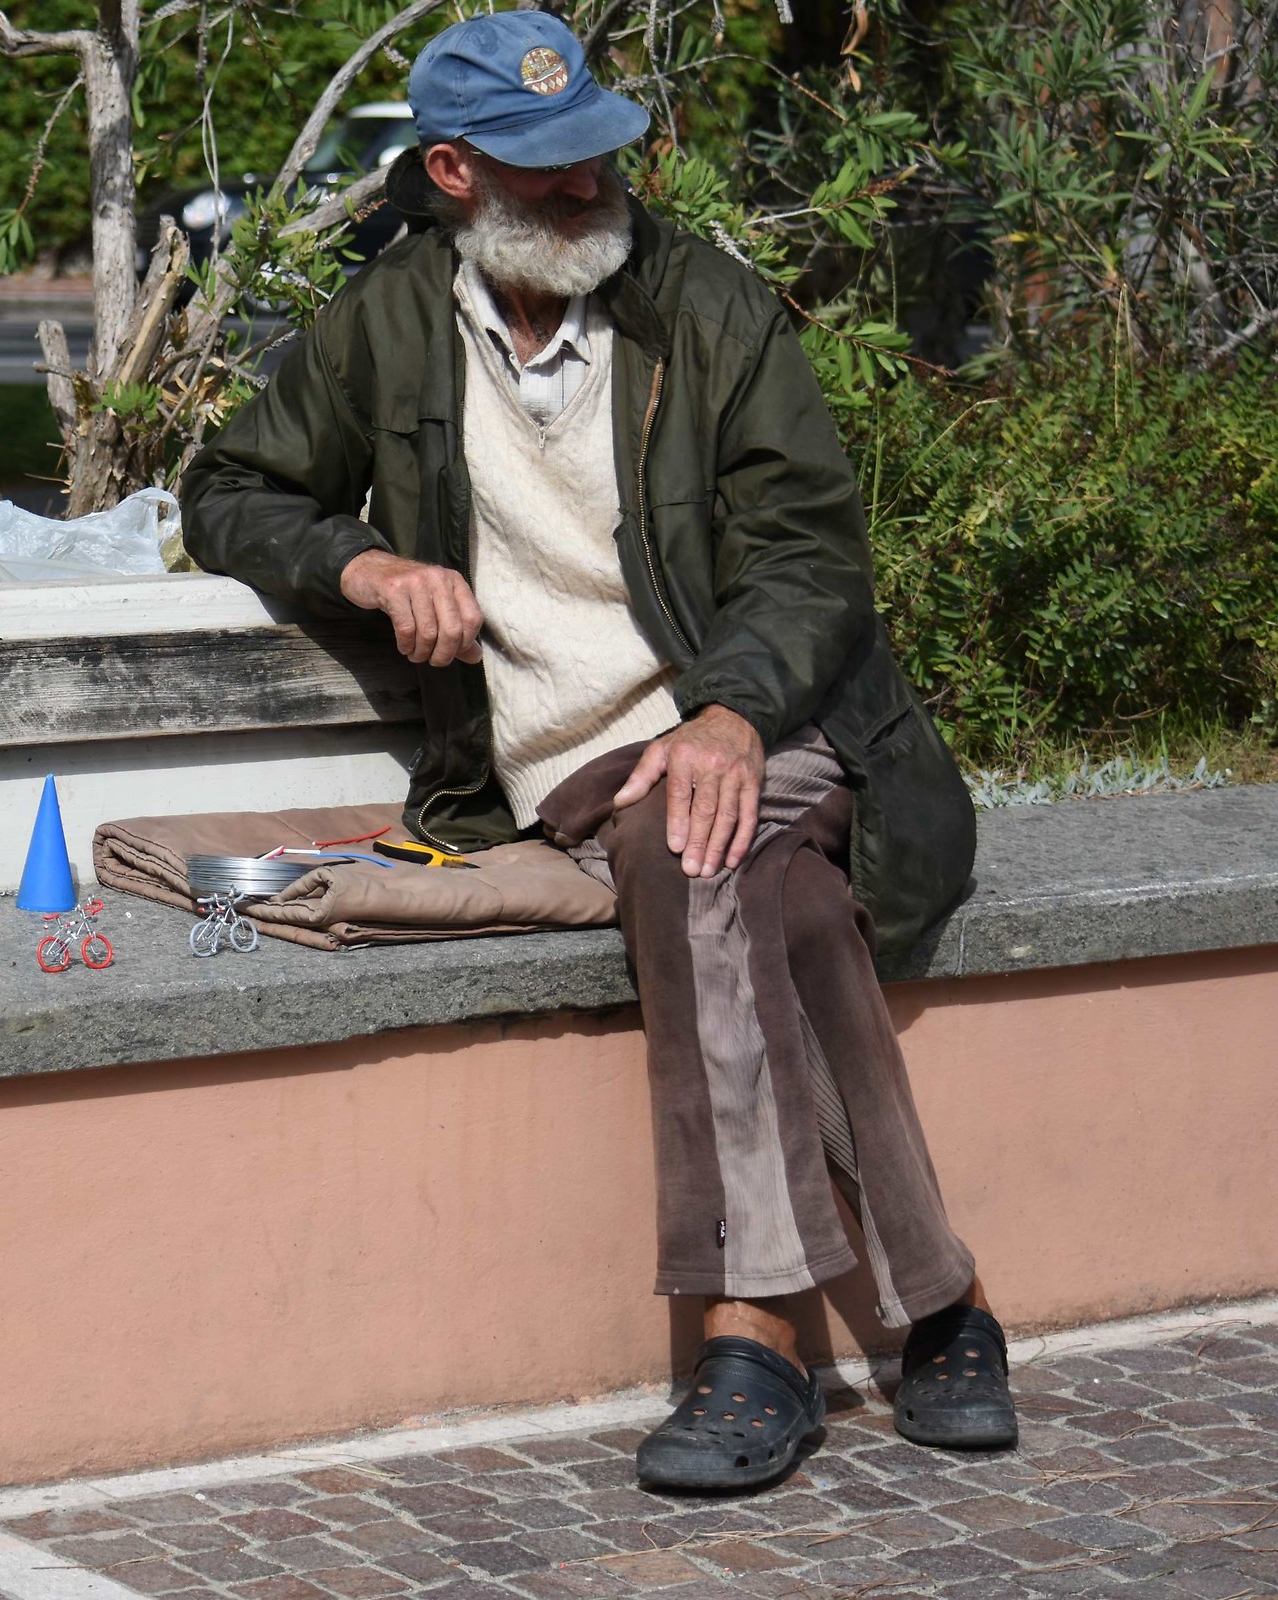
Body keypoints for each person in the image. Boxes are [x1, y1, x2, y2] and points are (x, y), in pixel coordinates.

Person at [179, 10, 1014, 1491]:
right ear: (453, 172)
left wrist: (729, 712)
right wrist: (364, 566)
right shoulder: (382, 324)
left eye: (602, 163)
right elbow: (232, 482)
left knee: (699, 848)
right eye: (549, 174)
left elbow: (813, 558)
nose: (592, 194)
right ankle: (940, 1303)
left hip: (781, 722)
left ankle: (752, 1334)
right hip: (560, 768)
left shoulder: (708, 310)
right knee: (780, 900)